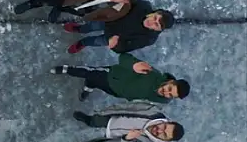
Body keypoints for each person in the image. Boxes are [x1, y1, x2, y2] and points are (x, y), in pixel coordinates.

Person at [52, 53, 191, 103]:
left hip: (118, 92)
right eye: (169, 89)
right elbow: (124, 57)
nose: (166, 93)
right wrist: (134, 64)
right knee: (88, 72)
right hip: (111, 76)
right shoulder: (151, 72)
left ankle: (89, 86)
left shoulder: (163, 101)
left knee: (96, 84)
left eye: (171, 95)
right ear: (170, 81)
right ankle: (67, 69)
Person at [70, 102, 184, 142]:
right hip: (113, 119)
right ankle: (88, 120)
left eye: (163, 135)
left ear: (166, 140)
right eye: (163, 127)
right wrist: (108, 110)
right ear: (167, 122)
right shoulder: (153, 112)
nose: (159, 131)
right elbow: (129, 106)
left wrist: (127, 139)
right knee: (96, 120)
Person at [65, 2, 175, 54]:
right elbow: (122, 5)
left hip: (112, 37)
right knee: (91, 26)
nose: (152, 22)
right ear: (154, 13)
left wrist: (115, 45)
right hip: (108, 22)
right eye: (155, 18)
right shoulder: (142, 6)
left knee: (95, 41)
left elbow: (127, 47)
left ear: (158, 30)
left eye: (156, 25)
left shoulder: (149, 39)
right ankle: (79, 29)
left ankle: (83, 43)